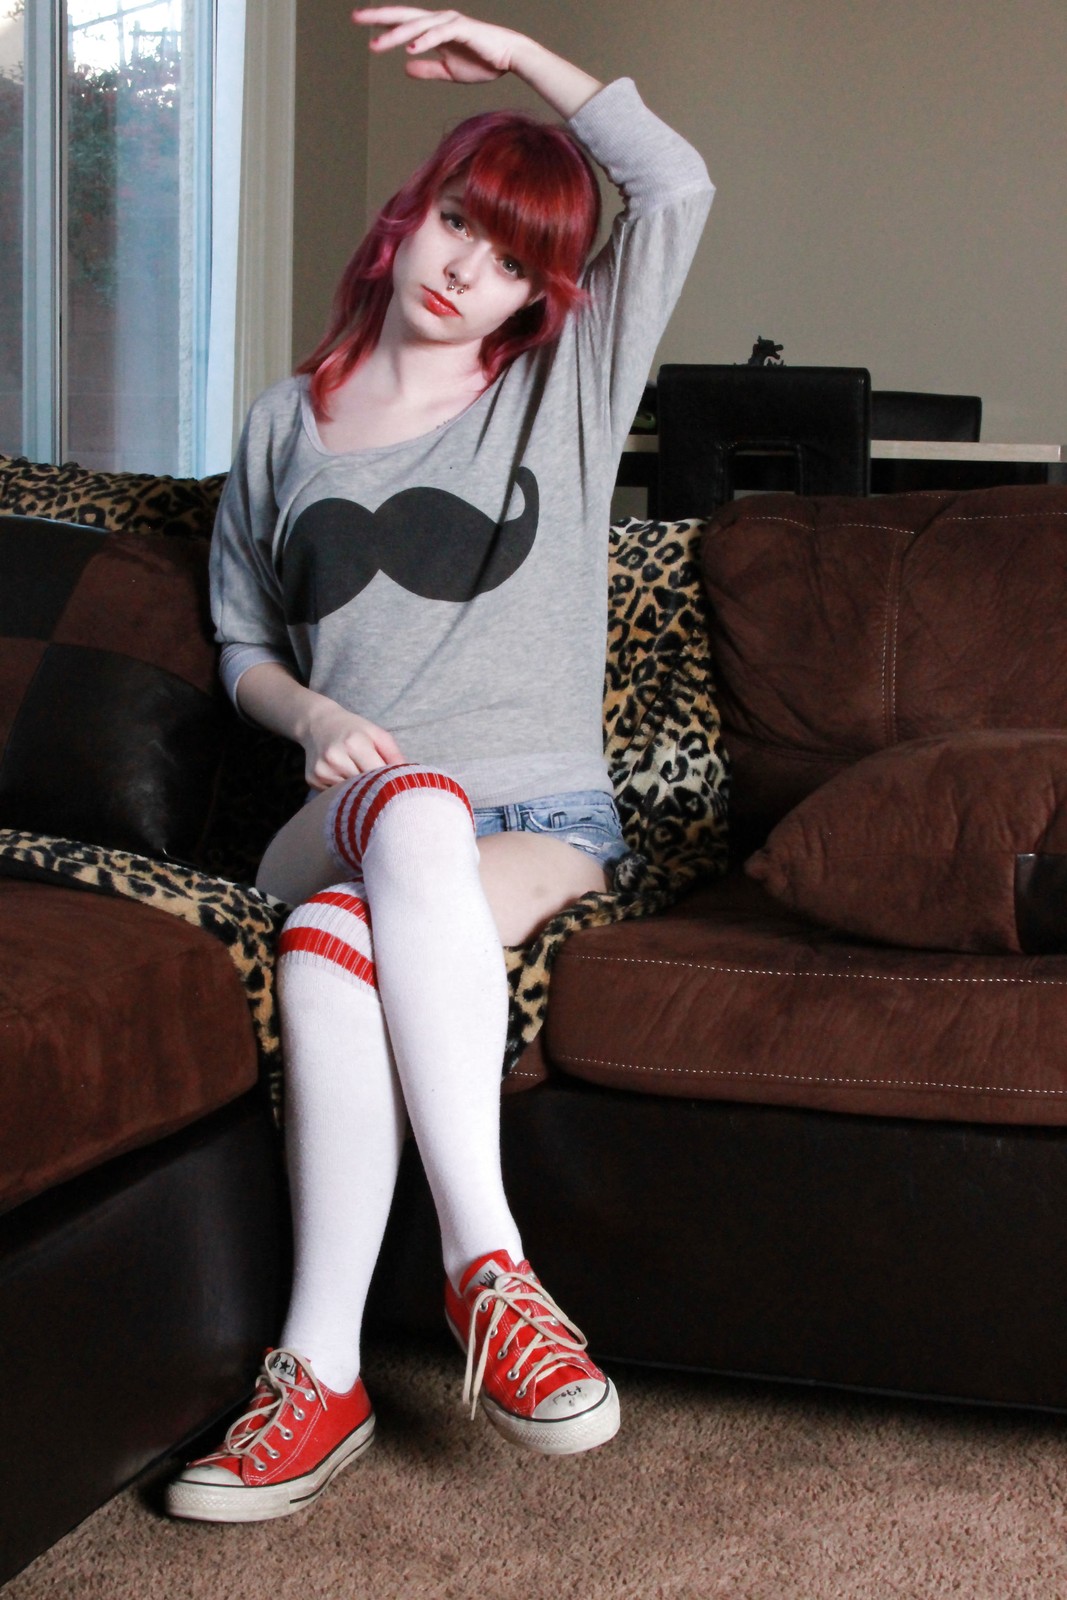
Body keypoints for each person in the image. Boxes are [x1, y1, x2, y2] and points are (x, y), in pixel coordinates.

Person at [166, 5, 713, 1525]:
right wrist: (311, 723)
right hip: (335, 808)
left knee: (333, 950)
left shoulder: (564, 390)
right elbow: (241, 645)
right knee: (398, 812)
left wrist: (517, 56)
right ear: (415, 214)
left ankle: (319, 1375)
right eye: (463, 220)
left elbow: (676, 188)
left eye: (515, 260)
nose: (469, 267)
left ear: (546, 297)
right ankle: (495, 1269)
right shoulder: (283, 425)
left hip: (532, 815)